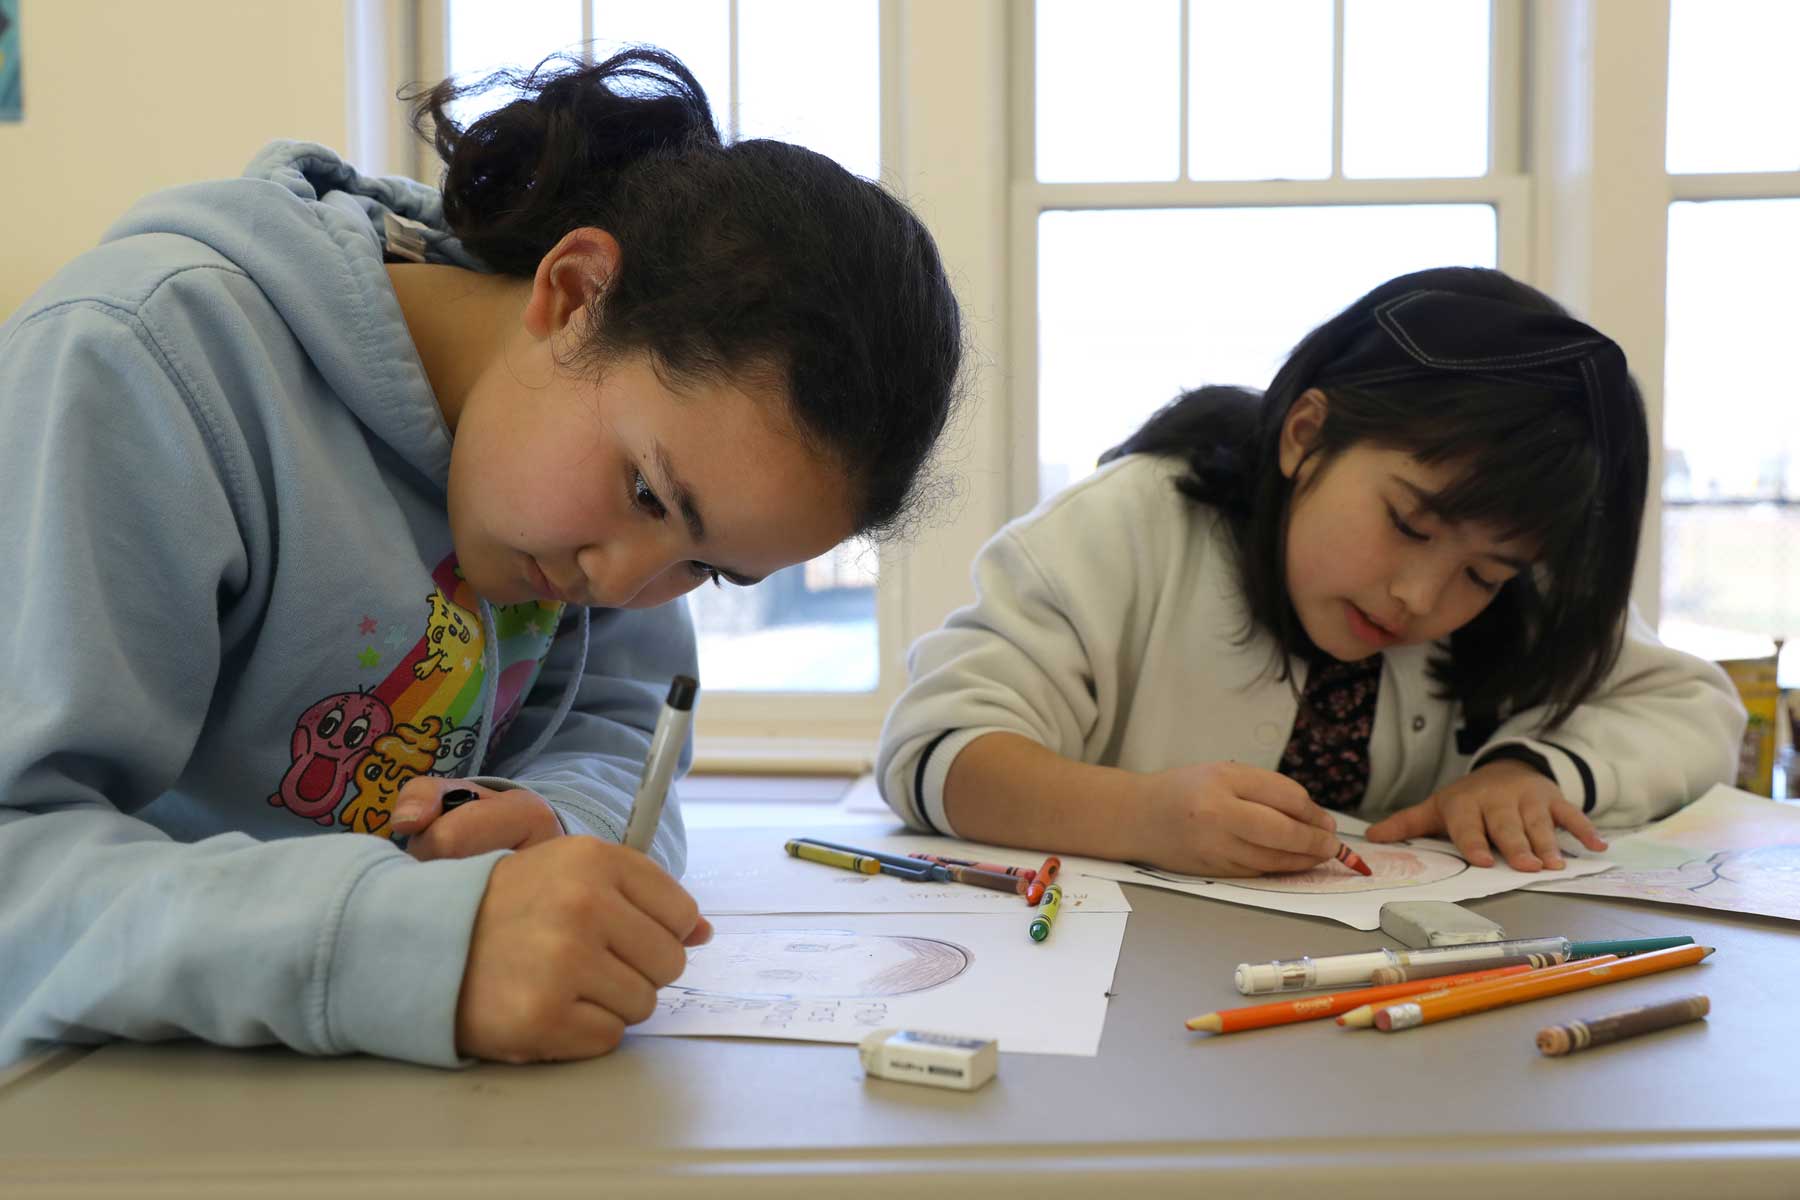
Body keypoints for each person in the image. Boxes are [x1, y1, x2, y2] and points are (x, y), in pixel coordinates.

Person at [0, 48, 962, 1068]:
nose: (628, 585)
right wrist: (414, 948)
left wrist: (560, 828)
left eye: (708, 570)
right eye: (645, 492)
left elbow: (616, 723)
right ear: (573, 293)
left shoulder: (618, 488)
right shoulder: (134, 366)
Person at [877, 267, 1742, 880]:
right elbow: (933, 750)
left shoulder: (1519, 578)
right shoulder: (1125, 528)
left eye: (1481, 575)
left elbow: (1697, 709)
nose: (1421, 598)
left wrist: (1530, 773)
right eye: (1408, 523)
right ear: (1305, 435)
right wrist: (1143, 816)